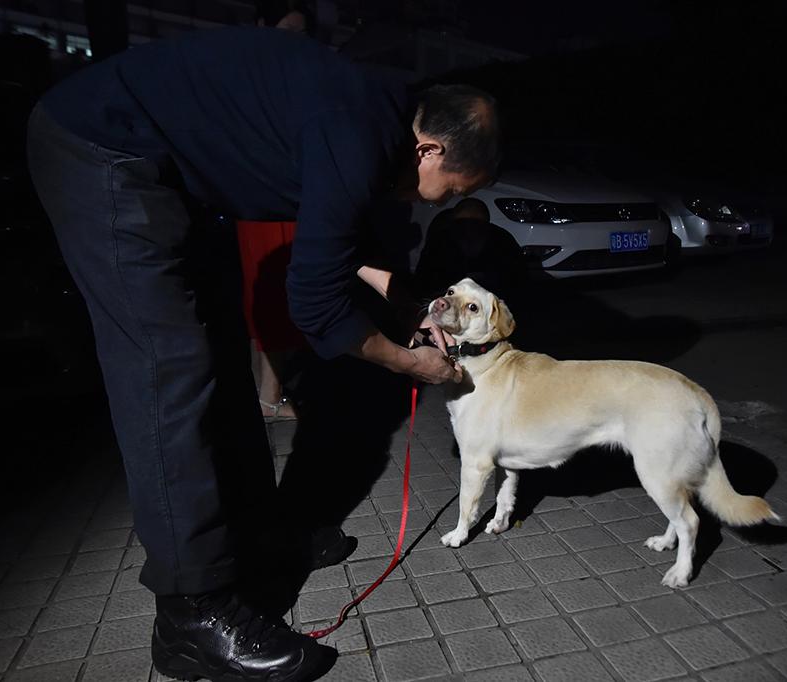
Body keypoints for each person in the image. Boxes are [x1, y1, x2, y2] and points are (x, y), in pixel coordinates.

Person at [27, 26, 498, 682]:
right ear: (431, 149)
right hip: (103, 147)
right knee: (169, 371)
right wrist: (406, 361)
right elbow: (316, 303)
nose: (441, 203)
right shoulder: (355, 128)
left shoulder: (375, 121)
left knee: (218, 358)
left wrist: (412, 311)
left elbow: (343, 237)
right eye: (450, 190)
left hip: (179, 179)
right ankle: (191, 614)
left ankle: (256, 534)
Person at [237, 1, 317, 422]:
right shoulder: (257, 77)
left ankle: (264, 391)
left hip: (280, 199)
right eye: (286, 30)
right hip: (265, 199)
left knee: (273, 296)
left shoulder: (284, 75)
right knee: (273, 296)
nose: (293, 42)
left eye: (301, 34)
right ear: (260, 26)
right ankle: (269, 397)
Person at [414, 197, 528, 310]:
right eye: (462, 226)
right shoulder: (440, 242)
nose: (469, 231)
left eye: (476, 226)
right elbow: (423, 283)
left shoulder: (503, 242)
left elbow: (518, 285)